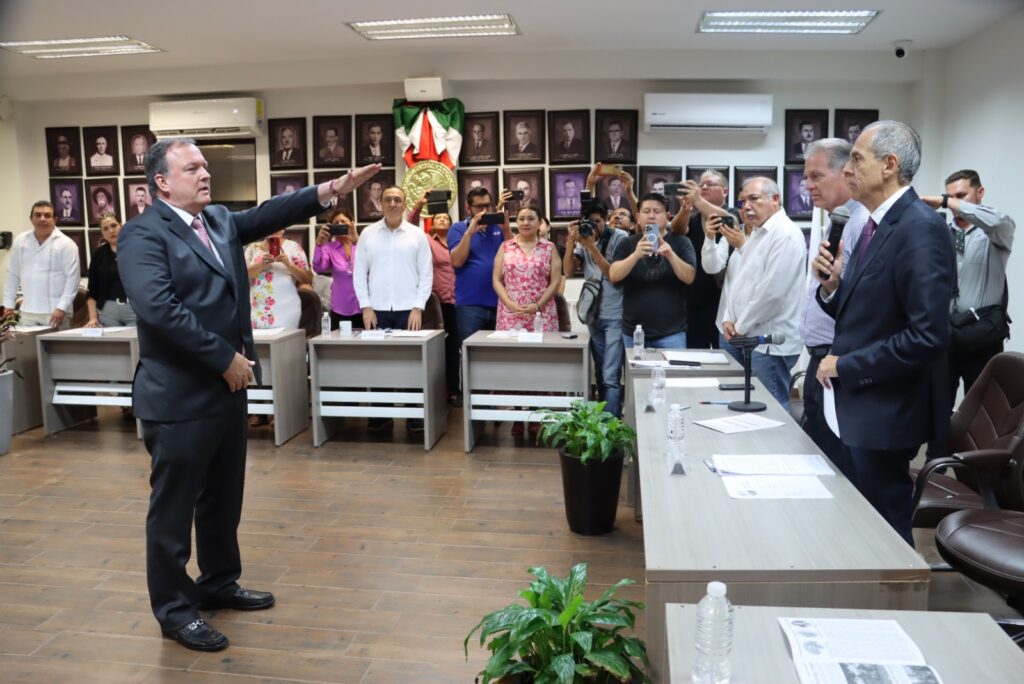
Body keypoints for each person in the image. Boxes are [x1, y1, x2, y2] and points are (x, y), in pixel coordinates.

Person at [117, 135, 380, 652]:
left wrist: (331, 189)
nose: (204, 173)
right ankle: (174, 609)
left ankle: (217, 582)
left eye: (205, 165)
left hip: (226, 391)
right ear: (162, 181)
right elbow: (160, 310)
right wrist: (226, 358)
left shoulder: (216, 220)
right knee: (172, 512)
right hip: (180, 395)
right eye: (192, 167)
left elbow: (267, 212)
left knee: (222, 498)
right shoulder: (142, 235)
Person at [813, 120, 956, 545]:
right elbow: (870, 313)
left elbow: (928, 335)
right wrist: (831, 288)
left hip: (888, 410)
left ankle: (897, 609)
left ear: (889, 165)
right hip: (860, 403)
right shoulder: (875, 225)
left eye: (857, 159)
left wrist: (848, 366)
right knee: (858, 525)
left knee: (884, 532)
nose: (848, 170)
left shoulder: (920, 228)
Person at [798, 138, 869, 479]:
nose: (808, 185)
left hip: (837, 363)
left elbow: (859, 304)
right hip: (819, 360)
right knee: (818, 460)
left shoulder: (859, 224)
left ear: (846, 172)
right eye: (806, 178)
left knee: (836, 470)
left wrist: (833, 285)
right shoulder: (837, 220)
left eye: (816, 176)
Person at [921, 169, 1015, 396]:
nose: (954, 203)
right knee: (938, 405)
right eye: (950, 196)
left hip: (982, 337)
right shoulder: (941, 231)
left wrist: (946, 201)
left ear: (980, 192)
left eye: (960, 196)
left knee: (981, 408)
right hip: (946, 335)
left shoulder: (996, 231)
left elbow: (999, 220)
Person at [721, 177, 806, 410]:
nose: (746, 206)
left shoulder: (785, 234)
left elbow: (771, 294)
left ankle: (778, 449)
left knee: (772, 407)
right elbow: (740, 282)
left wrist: (740, 326)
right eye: (742, 202)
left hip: (769, 342)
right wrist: (728, 316)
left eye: (753, 198)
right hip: (751, 336)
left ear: (775, 199)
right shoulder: (759, 233)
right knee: (755, 404)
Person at [494, 204, 563, 434]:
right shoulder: (506, 246)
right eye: (521, 218)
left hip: (541, 314)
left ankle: (536, 414)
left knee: (538, 364)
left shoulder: (549, 247)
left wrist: (537, 305)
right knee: (514, 365)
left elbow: (555, 281)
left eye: (531, 218)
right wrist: (510, 303)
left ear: (539, 222)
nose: (525, 222)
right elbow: (496, 280)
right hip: (510, 314)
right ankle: (516, 414)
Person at [565, 200, 628, 417]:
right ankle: (605, 418)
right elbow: (568, 271)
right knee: (601, 374)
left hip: (615, 314)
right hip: (594, 315)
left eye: (598, 222)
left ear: (606, 219)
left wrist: (591, 245)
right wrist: (572, 242)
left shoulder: (620, 238)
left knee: (611, 375)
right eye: (589, 222)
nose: (593, 226)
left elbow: (613, 274)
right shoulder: (583, 238)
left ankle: (610, 427)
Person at [609, 193, 696, 349]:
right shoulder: (627, 243)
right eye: (646, 211)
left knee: (672, 374)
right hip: (634, 333)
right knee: (635, 374)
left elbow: (689, 277)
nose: (651, 216)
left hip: (672, 333)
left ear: (668, 216)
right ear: (638, 216)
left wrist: (671, 255)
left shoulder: (681, 241)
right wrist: (635, 255)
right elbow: (614, 275)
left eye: (657, 211)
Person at [448, 186, 514, 390]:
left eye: (488, 205)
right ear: (469, 208)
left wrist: (506, 228)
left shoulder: (498, 228)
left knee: (497, 358)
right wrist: (471, 231)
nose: (485, 210)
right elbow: (457, 261)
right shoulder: (458, 229)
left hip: (501, 304)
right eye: (479, 206)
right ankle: (471, 405)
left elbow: (515, 257)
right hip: (470, 306)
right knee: (471, 356)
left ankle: (492, 404)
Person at [669, 170, 738, 350]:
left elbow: (728, 220)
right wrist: (685, 209)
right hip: (695, 299)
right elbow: (676, 230)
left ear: (725, 191)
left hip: (724, 300)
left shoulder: (733, 214)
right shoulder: (695, 217)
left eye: (710, 184)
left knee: (724, 354)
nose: (704, 187)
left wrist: (698, 200)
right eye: (702, 184)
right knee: (695, 353)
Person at [353, 185, 433, 332]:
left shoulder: (417, 235)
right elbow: (359, 273)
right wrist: (365, 306)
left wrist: (418, 307)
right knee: (379, 354)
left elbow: (426, 274)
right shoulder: (367, 234)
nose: (392, 204)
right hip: (375, 310)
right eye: (388, 200)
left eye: (397, 200)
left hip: (410, 309)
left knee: (410, 354)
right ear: (381, 204)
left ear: (405, 205)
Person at [409, 192, 461, 403]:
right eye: (438, 217)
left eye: (446, 218)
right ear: (432, 222)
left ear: (451, 223)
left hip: (458, 301)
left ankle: (455, 390)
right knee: (436, 348)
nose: (442, 219)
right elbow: (411, 227)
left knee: (454, 348)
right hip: (436, 303)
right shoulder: (427, 240)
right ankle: (437, 391)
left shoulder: (459, 240)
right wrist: (418, 205)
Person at [3, 200, 80, 328]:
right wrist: (8, 304)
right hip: (28, 311)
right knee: (29, 348)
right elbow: (13, 274)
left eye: (47, 215)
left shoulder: (66, 244)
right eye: (37, 215)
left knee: (58, 348)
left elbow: (73, 279)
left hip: (55, 312)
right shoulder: (20, 241)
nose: (42, 219)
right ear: (31, 219)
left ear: (55, 219)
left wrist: (62, 308)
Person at [245, 230, 312, 330]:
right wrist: (261, 265)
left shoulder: (293, 247)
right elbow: (241, 276)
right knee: (261, 344)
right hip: (258, 309)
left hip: (287, 309)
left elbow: (307, 278)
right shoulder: (252, 248)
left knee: (285, 343)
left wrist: (289, 264)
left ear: (283, 229)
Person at [313, 208, 362, 330]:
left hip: (364, 305)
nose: (340, 225)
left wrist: (356, 238)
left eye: (343, 221)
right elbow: (319, 268)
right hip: (340, 306)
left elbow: (373, 263)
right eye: (336, 223)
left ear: (352, 223)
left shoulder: (362, 243)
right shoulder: (329, 248)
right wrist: (319, 243)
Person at [85, 213, 136, 328]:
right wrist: (93, 318)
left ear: (121, 226)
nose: (111, 231)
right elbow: (92, 290)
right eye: (105, 229)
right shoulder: (98, 254)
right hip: (108, 311)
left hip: (134, 309)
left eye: (114, 225)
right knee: (114, 345)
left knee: (136, 345)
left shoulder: (137, 249)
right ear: (102, 233)